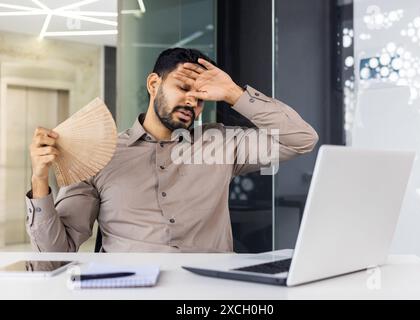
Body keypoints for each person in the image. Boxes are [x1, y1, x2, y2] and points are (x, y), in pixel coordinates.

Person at [26, 48, 318, 253]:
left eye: (201, 95)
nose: (193, 101)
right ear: (154, 84)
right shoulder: (101, 155)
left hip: (209, 293)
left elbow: (301, 139)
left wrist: (234, 94)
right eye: (183, 87)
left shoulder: (220, 144)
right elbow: (54, 256)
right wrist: (39, 181)